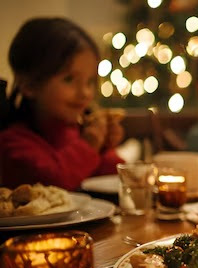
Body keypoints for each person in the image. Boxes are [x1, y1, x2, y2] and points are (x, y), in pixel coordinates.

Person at [0, 17, 124, 190]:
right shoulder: (12, 144)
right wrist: (90, 147)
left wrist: (103, 148)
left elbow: (117, 178)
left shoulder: (77, 135)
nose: (85, 93)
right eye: (69, 79)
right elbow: (54, 182)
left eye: (89, 82)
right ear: (29, 85)